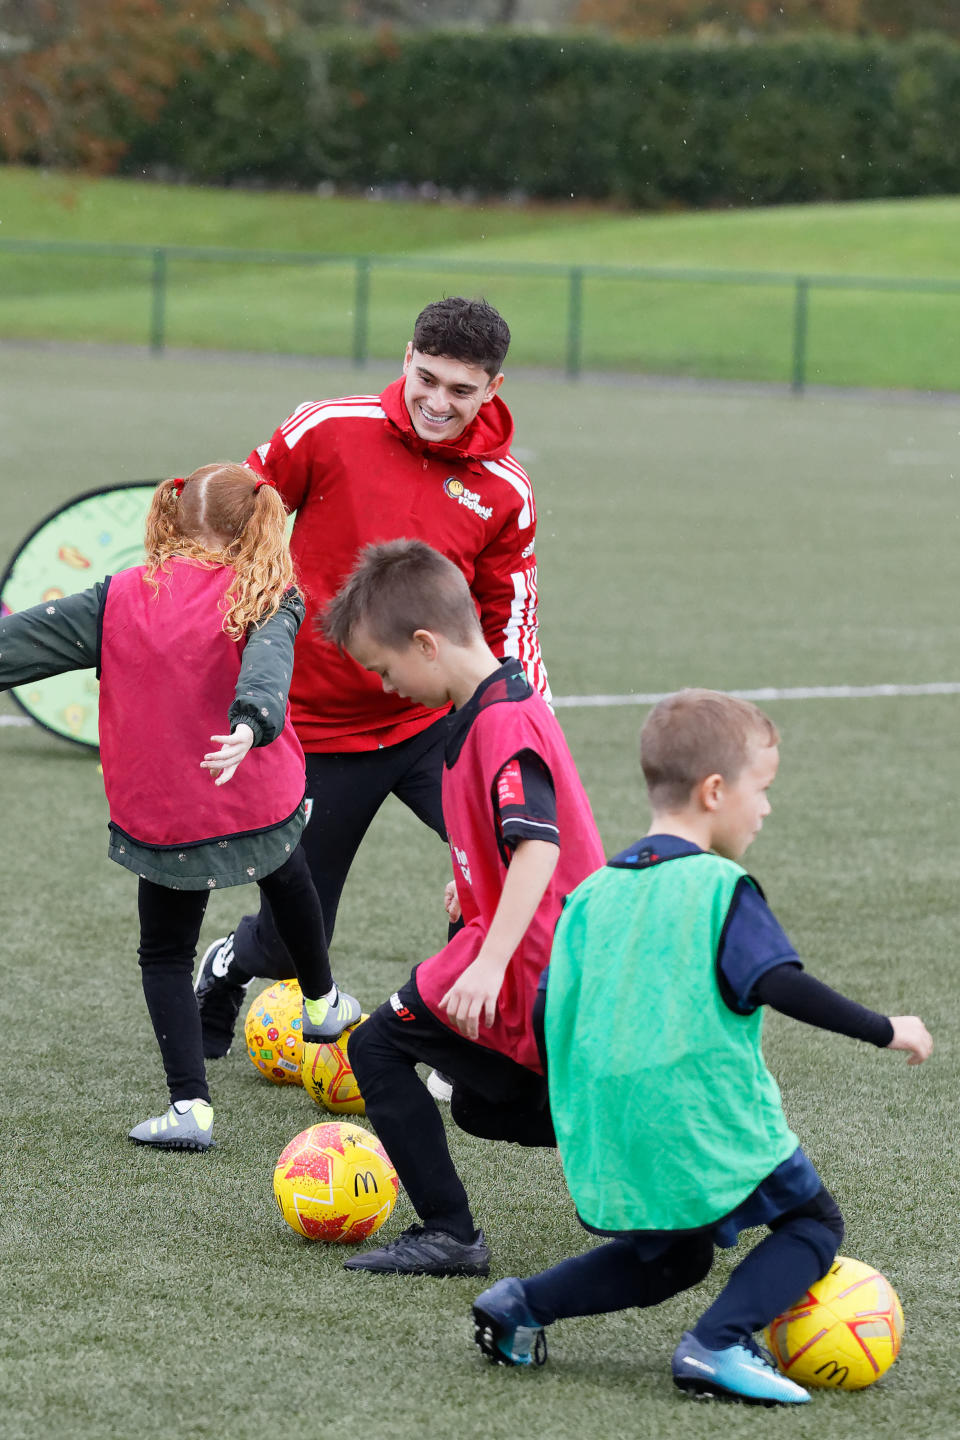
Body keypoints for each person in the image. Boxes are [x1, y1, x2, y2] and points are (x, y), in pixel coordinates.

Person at [471, 688, 933, 1405]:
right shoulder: (720, 888)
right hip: (701, 1114)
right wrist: (885, 1028)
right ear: (715, 791)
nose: (767, 809)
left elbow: (544, 1011)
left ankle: (520, 1305)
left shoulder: (591, 894)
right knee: (813, 1223)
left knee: (676, 1255)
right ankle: (717, 1343)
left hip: (608, 1120)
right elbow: (781, 983)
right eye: (763, 790)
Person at [194, 297, 550, 1065]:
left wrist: (530, 725)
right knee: (294, 946)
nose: (438, 402)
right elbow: (232, 517)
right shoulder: (328, 428)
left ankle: (462, 1041)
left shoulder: (505, 489)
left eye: (462, 389)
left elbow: (509, 617)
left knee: (506, 861)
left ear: (493, 388)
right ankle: (228, 964)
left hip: (436, 727)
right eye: (427, 378)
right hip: (316, 725)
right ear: (406, 358)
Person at [0, 463, 360, 1151]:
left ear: (175, 515)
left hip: (165, 814)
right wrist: (251, 726)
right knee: (288, 877)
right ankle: (320, 1003)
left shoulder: (121, 595)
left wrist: (250, 716)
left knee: (165, 953)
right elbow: (269, 670)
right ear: (257, 520)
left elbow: (21, 646)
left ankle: (190, 1108)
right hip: (257, 798)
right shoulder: (268, 592)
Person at [319, 539, 605, 1276]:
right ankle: (642, 1163)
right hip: (536, 943)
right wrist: (474, 878)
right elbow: (514, 839)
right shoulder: (484, 707)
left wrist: (491, 961)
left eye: (385, 669)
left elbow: (538, 847)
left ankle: (452, 1233)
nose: (385, 687)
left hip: (530, 955)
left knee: (376, 1049)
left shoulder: (502, 721)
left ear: (426, 642)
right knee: (485, 1104)